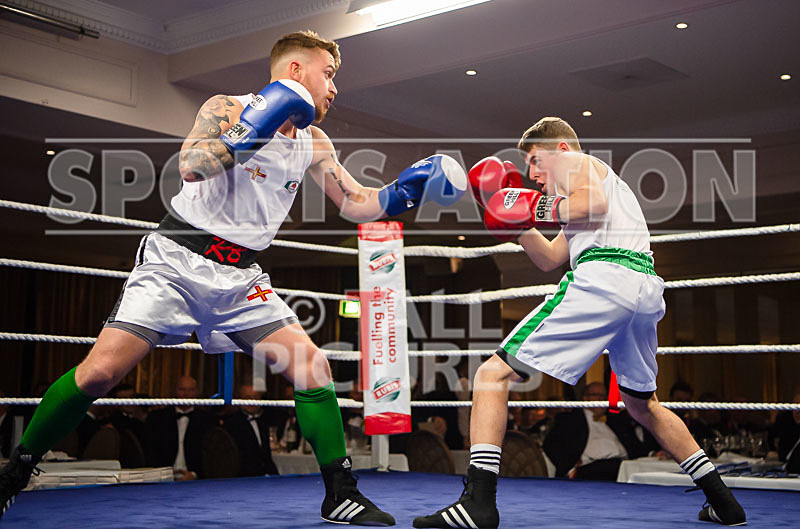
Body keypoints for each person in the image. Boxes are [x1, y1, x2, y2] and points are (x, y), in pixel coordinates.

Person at [0, 29, 466, 526]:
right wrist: (253, 130)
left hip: (242, 277)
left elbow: (355, 202)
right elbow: (192, 166)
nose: (334, 88)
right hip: (177, 260)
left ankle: (340, 493)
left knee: (314, 369)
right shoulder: (227, 107)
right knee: (100, 374)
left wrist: (406, 190)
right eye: (328, 74)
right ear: (294, 70)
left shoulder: (314, 140)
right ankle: (14, 475)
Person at [413, 117, 745, 528]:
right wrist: (511, 221)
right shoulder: (589, 195)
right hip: (641, 291)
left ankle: (478, 502)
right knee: (643, 405)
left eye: (536, 161)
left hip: (604, 281)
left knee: (490, 375)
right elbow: (550, 259)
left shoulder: (581, 164)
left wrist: (529, 205)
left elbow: (592, 205)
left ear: (562, 150)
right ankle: (723, 501)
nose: (532, 175)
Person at [542, 382, 652, 480]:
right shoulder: (570, 419)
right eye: (596, 395)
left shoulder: (616, 420)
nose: (600, 399)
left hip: (624, 466)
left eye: (603, 396)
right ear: (585, 398)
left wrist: (652, 454)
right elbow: (550, 445)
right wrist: (569, 469)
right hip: (591, 468)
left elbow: (633, 444)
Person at [145, 376, 215, 480]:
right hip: (162, 479)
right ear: (174, 391)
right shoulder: (157, 418)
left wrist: (194, 475)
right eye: (182, 389)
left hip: (197, 481)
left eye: (190, 390)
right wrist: (163, 474)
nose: (186, 394)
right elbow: (149, 451)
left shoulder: (208, 421)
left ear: (196, 393)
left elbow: (212, 456)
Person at [221, 384, 280, 476]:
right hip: (244, 479)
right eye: (247, 397)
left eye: (255, 397)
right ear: (239, 400)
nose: (252, 401)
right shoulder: (231, 424)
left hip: (268, 476)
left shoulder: (266, 420)